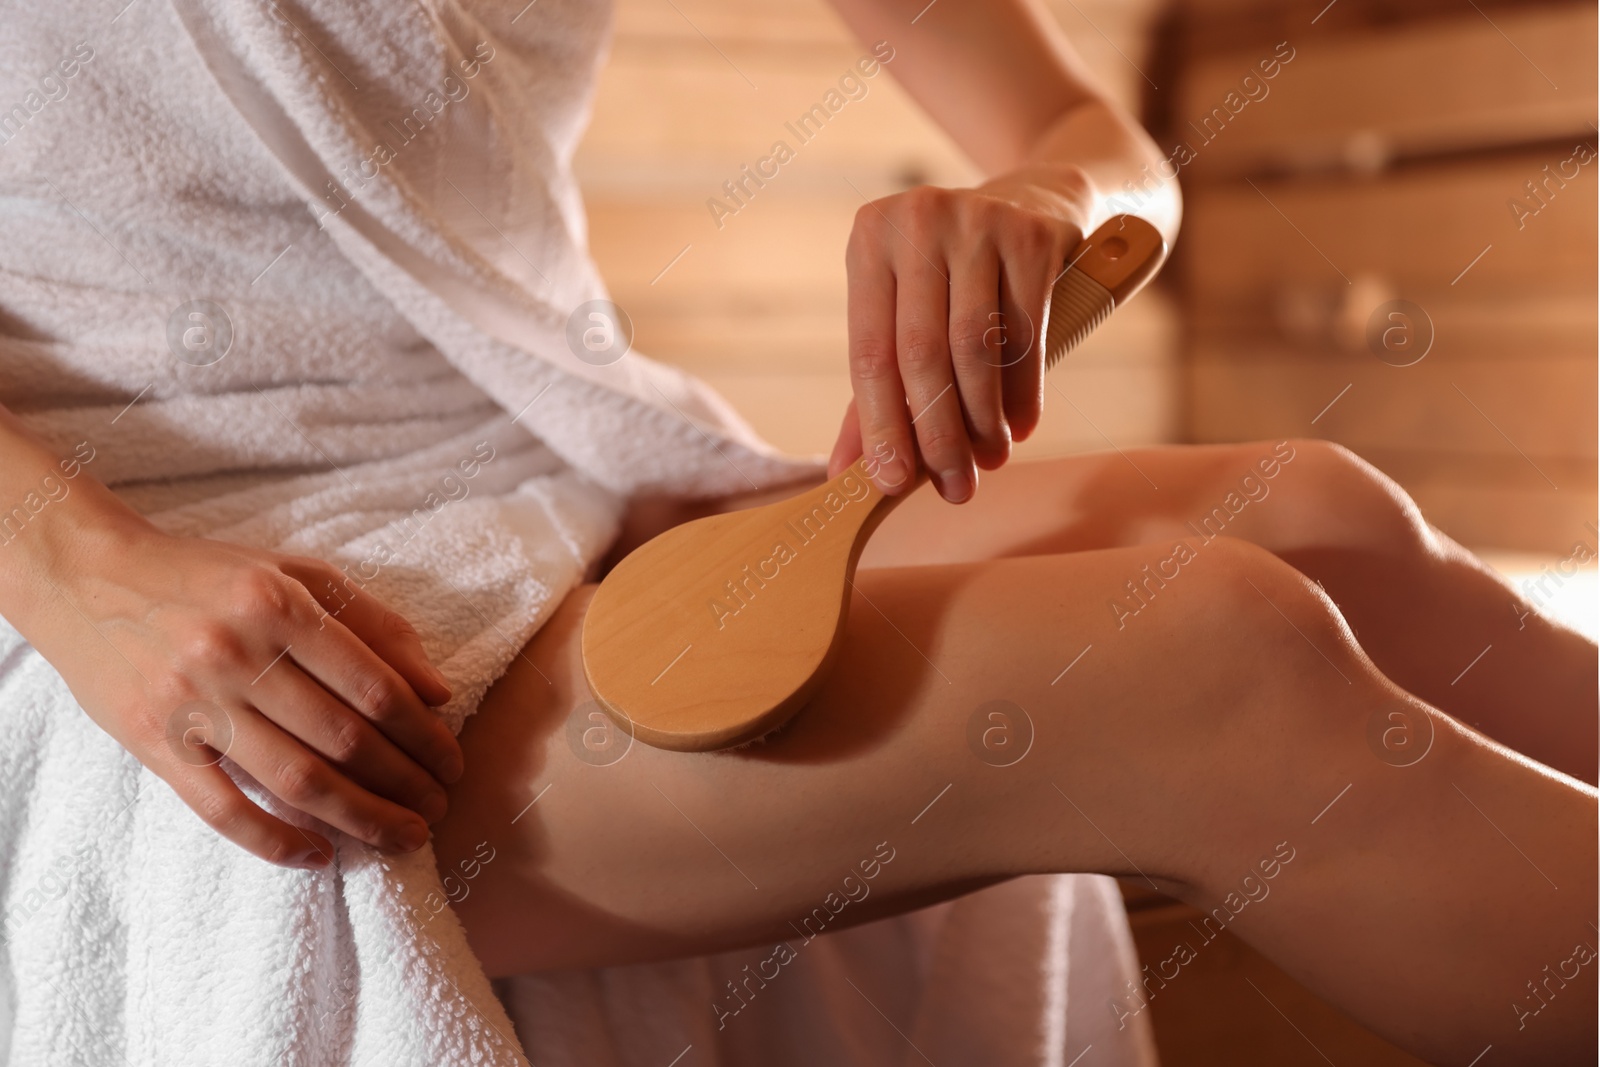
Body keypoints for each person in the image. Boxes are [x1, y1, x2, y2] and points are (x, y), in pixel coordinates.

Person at [0, 1, 1591, 1063]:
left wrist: (1045, 199)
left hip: (566, 460)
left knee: (1316, 518)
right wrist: (88, 583)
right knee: (1207, 658)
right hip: (140, 561)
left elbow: (1098, 138)